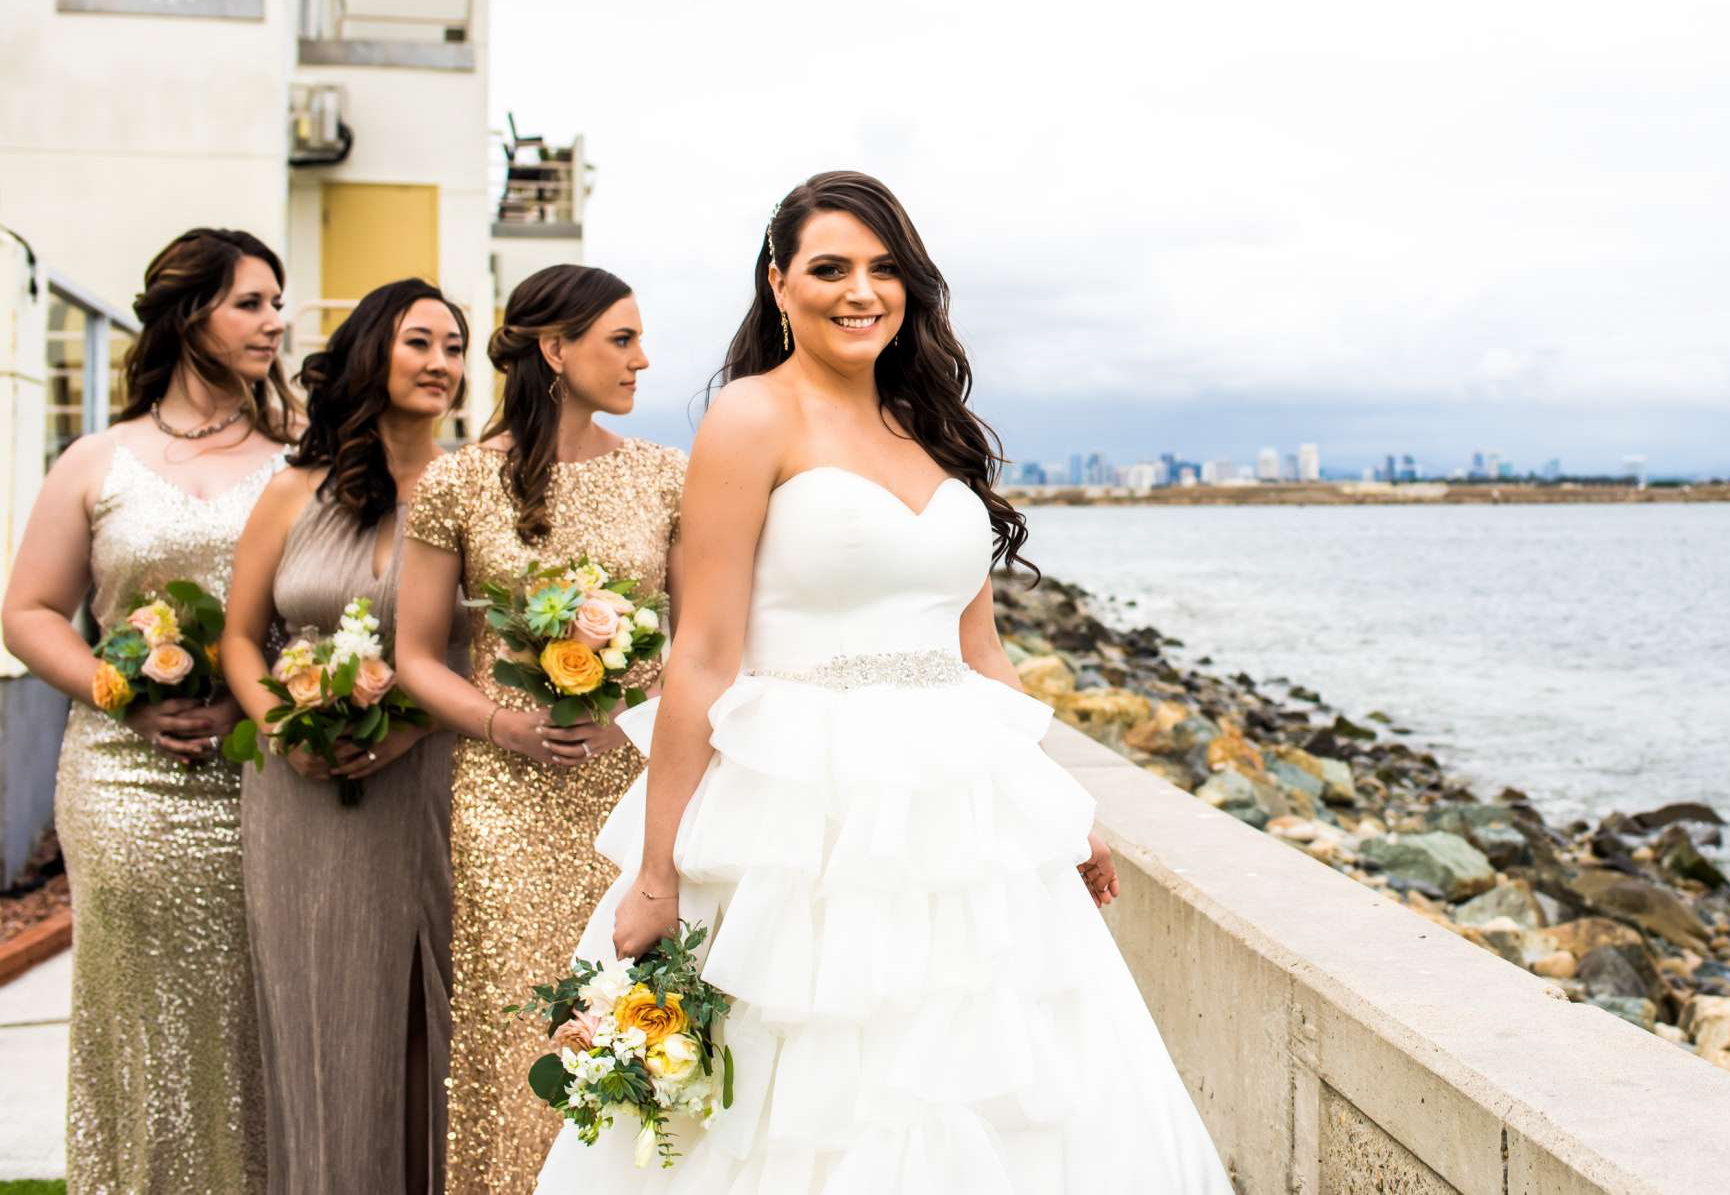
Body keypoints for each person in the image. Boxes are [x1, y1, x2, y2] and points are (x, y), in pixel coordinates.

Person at [536, 172, 1232, 1191]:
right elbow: (703, 654)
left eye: (883, 269)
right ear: (780, 285)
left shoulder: (930, 423)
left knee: (989, 1091)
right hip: (798, 819)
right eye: (829, 268)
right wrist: (658, 872)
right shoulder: (748, 418)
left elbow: (977, 652)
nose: (861, 291)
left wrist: (1061, 806)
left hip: (959, 818)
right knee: (801, 1097)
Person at [0, 226, 299, 1194]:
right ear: (187, 315)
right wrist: (115, 694)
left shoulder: (301, 460)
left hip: (263, 777)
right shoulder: (98, 460)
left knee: (257, 1013)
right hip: (123, 783)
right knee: (140, 1015)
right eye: (250, 303)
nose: (275, 322)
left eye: (276, 302)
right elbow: (27, 611)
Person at [394, 264, 685, 1195]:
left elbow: (705, 644)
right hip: (504, 802)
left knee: (642, 1018)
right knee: (513, 1030)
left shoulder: (667, 477)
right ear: (555, 350)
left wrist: (638, 723)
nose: (644, 359)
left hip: (638, 789)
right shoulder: (457, 482)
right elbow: (415, 654)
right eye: (623, 339)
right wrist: (506, 723)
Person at [221, 278, 474, 1194]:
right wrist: (282, 728)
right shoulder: (290, 491)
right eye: (421, 342)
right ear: (373, 350)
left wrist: (407, 726)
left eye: (455, 347)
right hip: (299, 796)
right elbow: (241, 637)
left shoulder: (471, 484)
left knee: (426, 1013)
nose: (443, 363)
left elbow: (489, 647)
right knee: (320, 1016)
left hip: (430, 781)